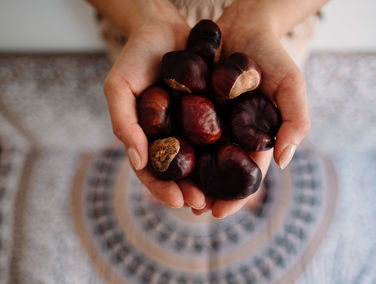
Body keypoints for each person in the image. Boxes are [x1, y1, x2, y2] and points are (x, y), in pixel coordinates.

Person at [86, 0, 328, 219]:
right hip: (136, 18)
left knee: (274, 91)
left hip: (276, 18)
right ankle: (232, 158)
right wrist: (146, 17)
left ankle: (233, 160)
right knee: (136, 93)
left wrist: (263, 15)